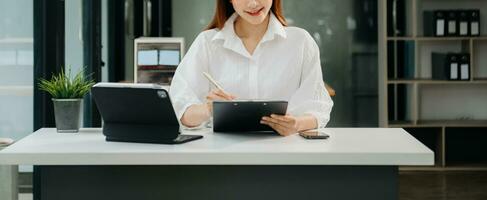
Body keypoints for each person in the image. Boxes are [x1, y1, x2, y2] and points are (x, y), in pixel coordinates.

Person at [170, 0, 333, 136]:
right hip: (222, 158)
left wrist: (296, 124)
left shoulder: (300, 41)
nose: (253, 3)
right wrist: (209, 109)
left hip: (284, 154)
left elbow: (318, 109)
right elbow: (181, 112)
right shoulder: (207, 43)